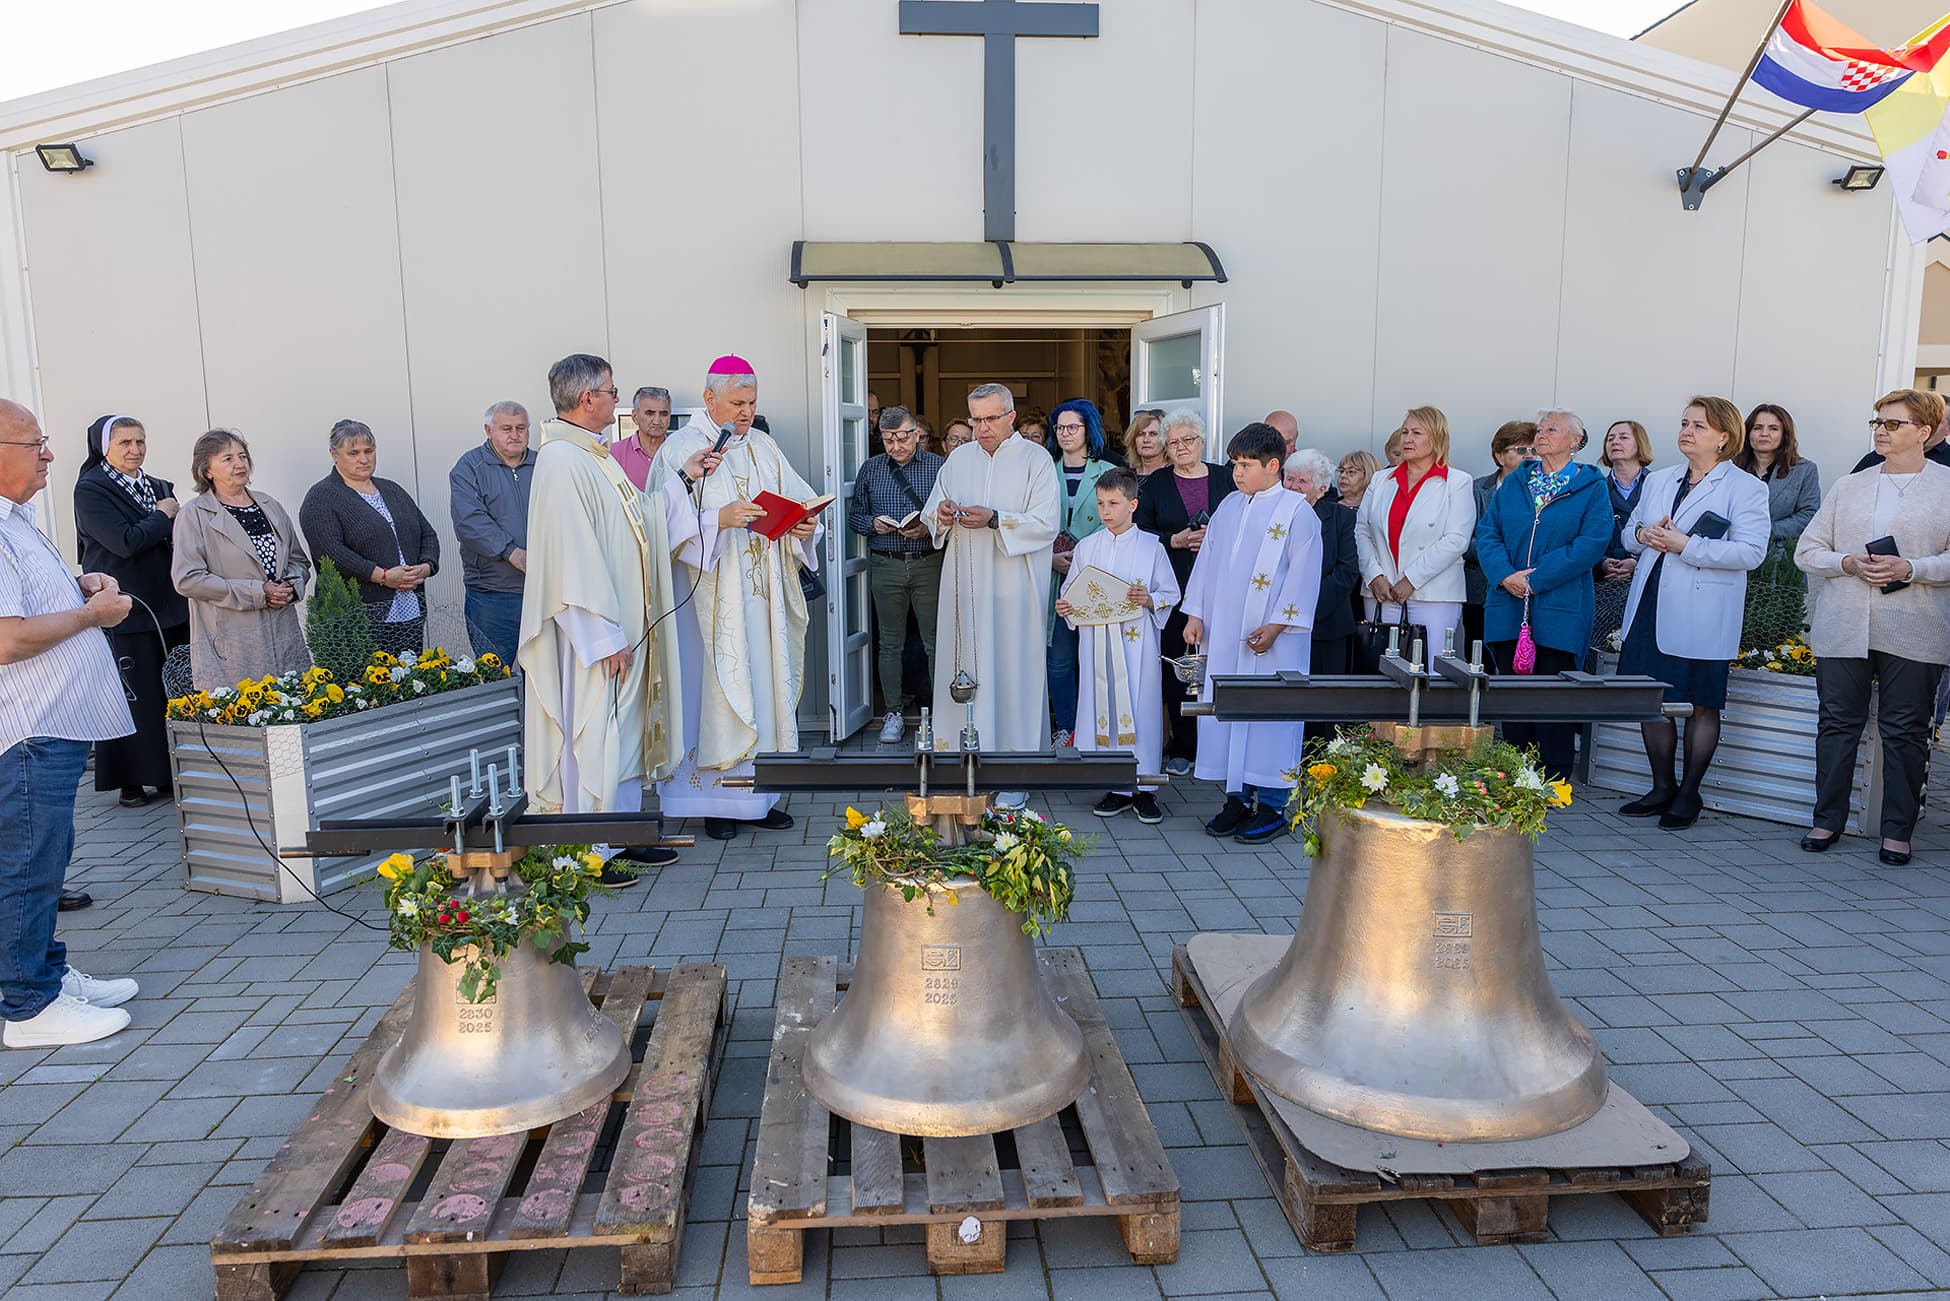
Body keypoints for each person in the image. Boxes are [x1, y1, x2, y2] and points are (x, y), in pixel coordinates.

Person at [521, 353, 717, 878]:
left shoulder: (594, 457)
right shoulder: (562, 462)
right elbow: (570, 562)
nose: (618, 399)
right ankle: (587, 850)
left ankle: (620, 833)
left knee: (622, 733)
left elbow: (644, 514)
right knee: (595, 735)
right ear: (587, 399)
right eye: (612, 391)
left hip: (623, 628)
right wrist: (603, 637)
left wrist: (682, 476)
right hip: (593, 638)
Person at [0, 399, 144, 1049]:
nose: (50, 453)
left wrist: (74, 588)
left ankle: (46, 977)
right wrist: (91, 617)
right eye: (35, 443)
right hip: (29, 730)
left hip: (48, 726)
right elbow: (7, 639)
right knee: (29, 866)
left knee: (45, 857)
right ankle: (28, 1005)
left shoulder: (17, 520)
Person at [651, 356, 823, 841]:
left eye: (751, 403)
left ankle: (759, 798)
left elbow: (798, 498)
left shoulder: (763, 446)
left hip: (762, 597)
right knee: (717, 693)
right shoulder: (682, 448)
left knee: (763, 687)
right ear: (709, 399)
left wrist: (804, 525)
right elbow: (658, 525)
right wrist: (717, 520)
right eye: (737, 403)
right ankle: (714, 801)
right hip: (709, 599)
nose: (746, 412)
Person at [1795, 389, 1950, 866]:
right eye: (1877, 422)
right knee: (1838, 723)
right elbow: (1807, 550)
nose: (1881, 430)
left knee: (1905, 729)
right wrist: (1846, 561)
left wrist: (1913, 569)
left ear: (1923, 432)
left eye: (1893, 423)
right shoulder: (1851, 485)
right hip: (1844, 622)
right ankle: (1827, 819)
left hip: (1915, 624)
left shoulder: (1947, 485)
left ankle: (1898, 829)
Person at [1616, 396, 1770, 829]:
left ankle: (1689, 793)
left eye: (1699, 426)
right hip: (1650, 601)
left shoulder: (1746, 487)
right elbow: (1630, 533)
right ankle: (1661, 786)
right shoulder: (1661, 479)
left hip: (1704, 607)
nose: (1687, 431)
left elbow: (1751, 552)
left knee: (1701, 703)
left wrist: (1687, 545)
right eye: (1685, 423)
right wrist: (1644, 534)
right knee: (1653, 699)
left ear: (1724, 437)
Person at [1182, 423, 1323, 844]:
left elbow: (1304, 574)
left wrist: (1279, 625)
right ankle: (1236, 797)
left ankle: (1275, 803)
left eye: (1246, 465)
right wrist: (1195, 613)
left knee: (1269, 715)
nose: (1237, 473)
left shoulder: (1298, 513)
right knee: (1229, 711)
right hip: (1225, 633)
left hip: (1272, 640)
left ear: (1273, 465)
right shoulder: (1228, 505)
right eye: (1234, 464)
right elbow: (1206, 562)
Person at [924, 382, 1060, 810]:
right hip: (964, 586)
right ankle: (959, 763)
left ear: (1011, 417)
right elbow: (934, 510)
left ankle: (1015, 771)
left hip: (1013, 586)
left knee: (1012, 669)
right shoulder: (958, 458)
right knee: (962, 663)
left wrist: (997, 519)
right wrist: (941, 514)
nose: (981, 428)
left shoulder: (1036, 459)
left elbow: (1047, 522)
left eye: (990, 419)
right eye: (975, 419)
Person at [1476, 410, 1611, 780]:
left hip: (1559, 606)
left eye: (1552, 429)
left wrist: (1536, 579)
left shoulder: (1591, 485)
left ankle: (1554, 775)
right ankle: (1516, 772)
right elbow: (1488, 534)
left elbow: (1592, 542)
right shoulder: (1517, 481)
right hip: (1508, 602)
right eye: (1541, 429)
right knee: (1513, 689)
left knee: (1555, 689)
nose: (1542, 434)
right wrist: (1505, 576)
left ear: (1574, 441)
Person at [72, 414, 187, 809]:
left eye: (139, 441)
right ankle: (131, 780)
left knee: (170, 693)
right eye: (124, 443)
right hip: (126, 607)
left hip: (170, 603)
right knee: (134, 696)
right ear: (104, 447)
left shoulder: (158, 486)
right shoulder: (92, 490)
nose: (134, 449)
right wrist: (162, 516)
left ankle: (168, 773)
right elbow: (124, 542)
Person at [1057, 467, 1178, 824]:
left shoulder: (1151, 547)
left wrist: (1150, 598)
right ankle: (1114, 784)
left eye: (1114, 503)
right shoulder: (1088, 546)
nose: (1106, 511)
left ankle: (1145, 789)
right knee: (1100, 705)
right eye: (1101, 503)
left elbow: (1170, 593)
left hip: (1136, 646)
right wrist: (1066, 606)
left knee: (1141, 708)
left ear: (1133, 504)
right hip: (1097, 645)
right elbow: (1071, 593)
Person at [1136, 410, 1235, 777]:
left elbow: (1245, 521)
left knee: (1220, 663)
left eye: (1187, 440)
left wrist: (1218, 539)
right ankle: (1182, 745)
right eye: (1173, 442)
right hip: (1174, 589)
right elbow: (1139, 531)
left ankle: (1220, 745)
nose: (1181, 447)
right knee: (1178, 666)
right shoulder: (1157, 484)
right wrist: (1174, 540)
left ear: (1202, 441)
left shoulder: (1227, 477)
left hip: (1223, 588)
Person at [172, 431, 311, 690]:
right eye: (227, 458)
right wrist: (258, 592)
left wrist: (291, 588)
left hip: (284, 635)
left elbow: (298, 560)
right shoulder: (194, 515)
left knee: (294, 712)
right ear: (207, 470)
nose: (239, 464)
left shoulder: (270, 505)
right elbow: (188, 579)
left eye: (243, 456)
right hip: (232, 643)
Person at [299, 421, 440, 657]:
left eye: (369, 451)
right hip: (355, 617)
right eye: (353, 453)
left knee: (410, 681)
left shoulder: (392, 490)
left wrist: (425, 567)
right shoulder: (321, 498)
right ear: (334, 455)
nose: (363, 459)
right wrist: (383, 577)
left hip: (409, 606)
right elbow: (332, 553)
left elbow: (428, 534)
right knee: (369, 686)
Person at [847, 405, 943, 743]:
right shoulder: (871, 469)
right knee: (889, 643)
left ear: (917, 434)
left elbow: (951, 515)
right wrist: (872, 523)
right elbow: (855, 516)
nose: (897, 446)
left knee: (936, 643)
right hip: (886, 561)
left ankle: (938, 714)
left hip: (929, 561)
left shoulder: (939, 467)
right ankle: (893, 713)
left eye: (903, 438)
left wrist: (928, 530)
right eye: (889, 440)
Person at [1355, 407, 1476, 668]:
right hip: (1381, 592)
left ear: (1437, 439)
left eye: (1417, 433)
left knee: (1430, 670)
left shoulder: (1458, 482)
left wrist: (1410, 580)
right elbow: (1362, 530)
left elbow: (1456, 539)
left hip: (1434, 594)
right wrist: (1374, 575)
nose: (1407, 438)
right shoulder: (1380, 480)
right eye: (1405, 432)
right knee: (1383, 671)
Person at [1047, 399, 1116, 749]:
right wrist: (1051, 558)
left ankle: (1096, 726)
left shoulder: (1107, 472)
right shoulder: (1043, 470)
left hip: (1094, 576)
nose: (1065, 434)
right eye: (1060, 427)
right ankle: (1067, 727)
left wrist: (1081, 558)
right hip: (1052, 576)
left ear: (1088, 429)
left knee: (1096, 657)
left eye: (1072, 427)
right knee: (1059, 659)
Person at [449, 401, 535, 665]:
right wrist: (511, 552)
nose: (515, 435)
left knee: (544, 676)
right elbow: (469, 522)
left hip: (542, 591)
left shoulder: (544, 464)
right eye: (506, 428)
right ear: (488, 430)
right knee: (497, 672)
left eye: (521, 428)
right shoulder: (470, 468)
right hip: (493, 595)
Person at [1462, 421, 1536, 655]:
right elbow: (1464, 540)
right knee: (1480, 657)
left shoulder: (1545, 492)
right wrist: (1502, 564)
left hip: (1528, 589)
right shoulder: (1476, 489)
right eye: (1521, 450)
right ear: (1499, 456)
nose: (1529, 456)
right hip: (1481, 592)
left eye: (1534, 450)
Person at [1285, 448, 1358, 675]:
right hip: (1279, 626)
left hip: (1326, 624)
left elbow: (1347, 569)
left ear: (1322, 489)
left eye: (1303, 481)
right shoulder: (1271, 515)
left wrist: (1306, 606)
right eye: (1289, 479)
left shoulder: (1342, 518)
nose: (1294, 486)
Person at [1594, 419, 1653, 653]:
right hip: (1604, 584)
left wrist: (1636, 563)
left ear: (1640, 444)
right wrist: (1602, 563)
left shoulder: (1659, 485)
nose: (1615, 442)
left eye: (1623, 437)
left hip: (1646, 581)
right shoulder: (1595, 486)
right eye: (1610, 438)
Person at [1736, 404, 1821, 542]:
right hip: (1734, 549)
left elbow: (1809, 514)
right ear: (1747, 433)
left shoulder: (1804, 470)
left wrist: (1766, 531)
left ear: (1784, 435)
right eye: (1757, 428)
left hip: (1779, 553)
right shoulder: (1731, 468)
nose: (1764, 433)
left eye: (1773, 429)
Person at [612, 386, 674, 491]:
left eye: (663, 414)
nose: (657, 421)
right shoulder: (614, 454)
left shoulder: (680, 452)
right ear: (635, 417)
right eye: (650, 413)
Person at [1127, 410, 1168, 477]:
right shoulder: (1126, 476)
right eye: (1141, 434)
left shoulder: (1175, 475)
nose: (1146, 440)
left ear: (1166, 439)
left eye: (1153, 434)